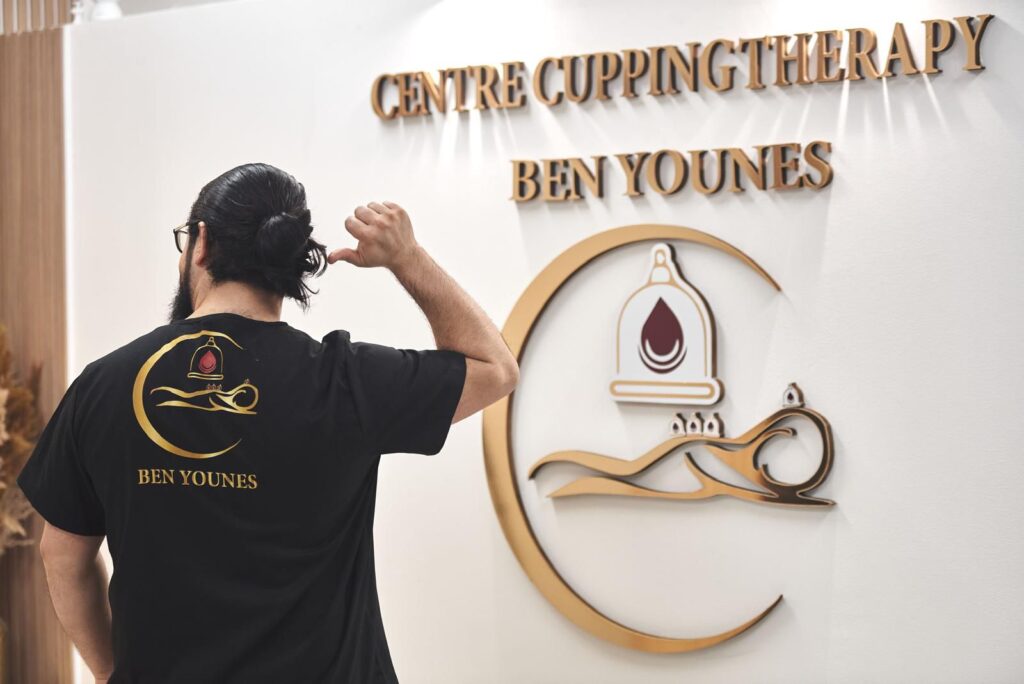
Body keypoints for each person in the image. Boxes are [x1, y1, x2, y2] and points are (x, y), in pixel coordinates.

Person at [15, 162, 519, 683]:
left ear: (201, 244)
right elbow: (496, 369)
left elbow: (63, 555)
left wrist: (110, 674)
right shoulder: (346, 381)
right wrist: (407, 258)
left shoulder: (106, 383)